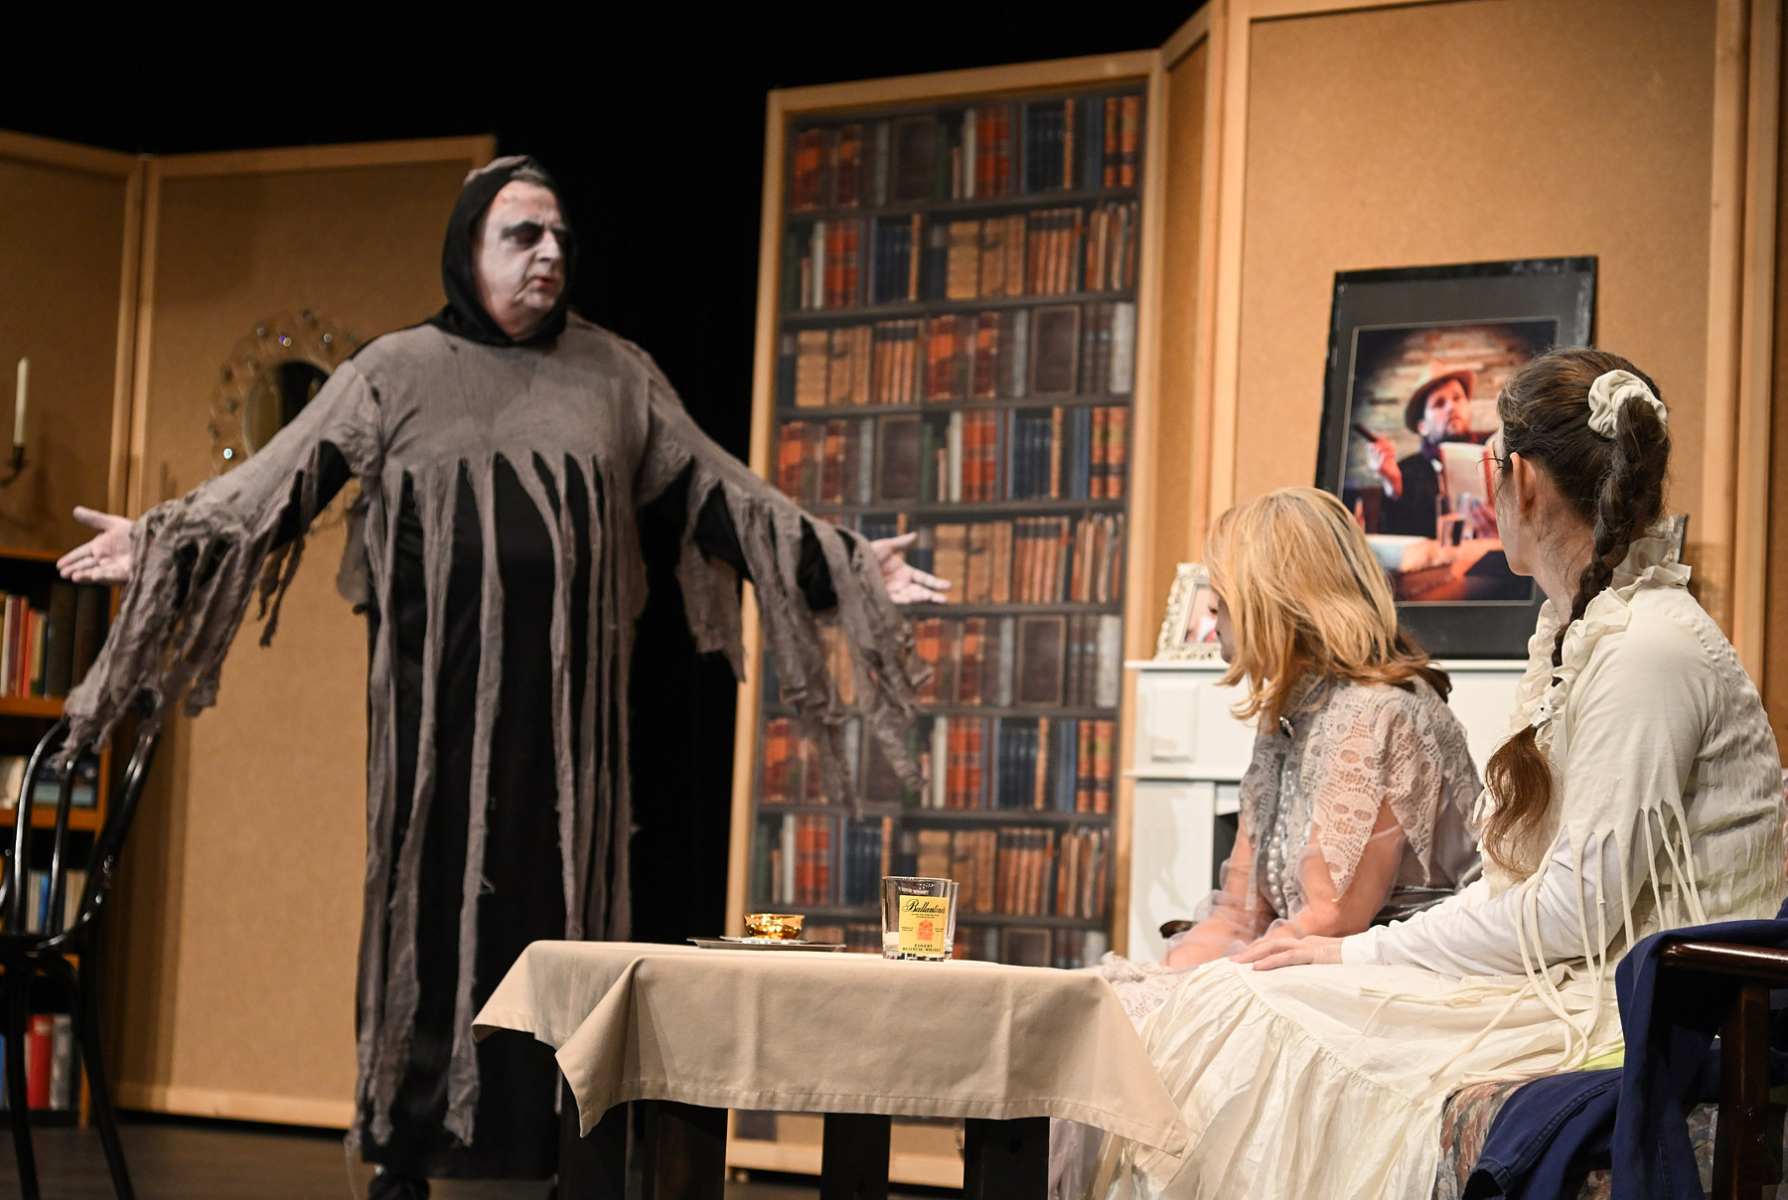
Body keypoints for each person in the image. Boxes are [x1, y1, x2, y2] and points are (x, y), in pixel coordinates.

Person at [54, 157, 948, 1198]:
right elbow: (275, 486)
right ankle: (407, 1153)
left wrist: (846, 566)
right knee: (429, 929)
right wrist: (161, 543)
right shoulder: (393, 373)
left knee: (566, 927)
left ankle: (567, 1151)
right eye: (523, 235)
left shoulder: (615, 376)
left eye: (560, 236)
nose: (549, 253)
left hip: (571, 744)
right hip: (434, 738)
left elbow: (723, 498)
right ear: (468, 248)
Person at [1087, 348, 1784, 1198]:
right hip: (1568, 973)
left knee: (1258, 1013)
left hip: (1653, 1006)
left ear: (1518, 479)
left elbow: (1573, 910)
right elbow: (1513, 887)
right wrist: (1348, 957)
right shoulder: (1587, 637)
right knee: (1231, 1005)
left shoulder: (1648, 650)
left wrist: (1355, 956)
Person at [1050, 488, 1482, 1199]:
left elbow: (1329, 920)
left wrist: (1183, 1002)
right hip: (1303, 965)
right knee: (1102, 1012)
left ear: (1274, 601)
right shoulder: (1290, 712)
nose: (1212, 616)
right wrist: (1157, 980)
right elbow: (1238, 912)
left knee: (1162, 1034)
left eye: (1222, 601)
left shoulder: (1379, 714)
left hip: (1388, 982)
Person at [1363, 366, 1487, 538]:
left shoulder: (1493, 456)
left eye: (1457, 398)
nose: (1451, 407)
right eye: (1439, 403)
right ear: (1422, 427)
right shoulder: (1405, 472)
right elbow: (1398, 539)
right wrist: (1394, 487)